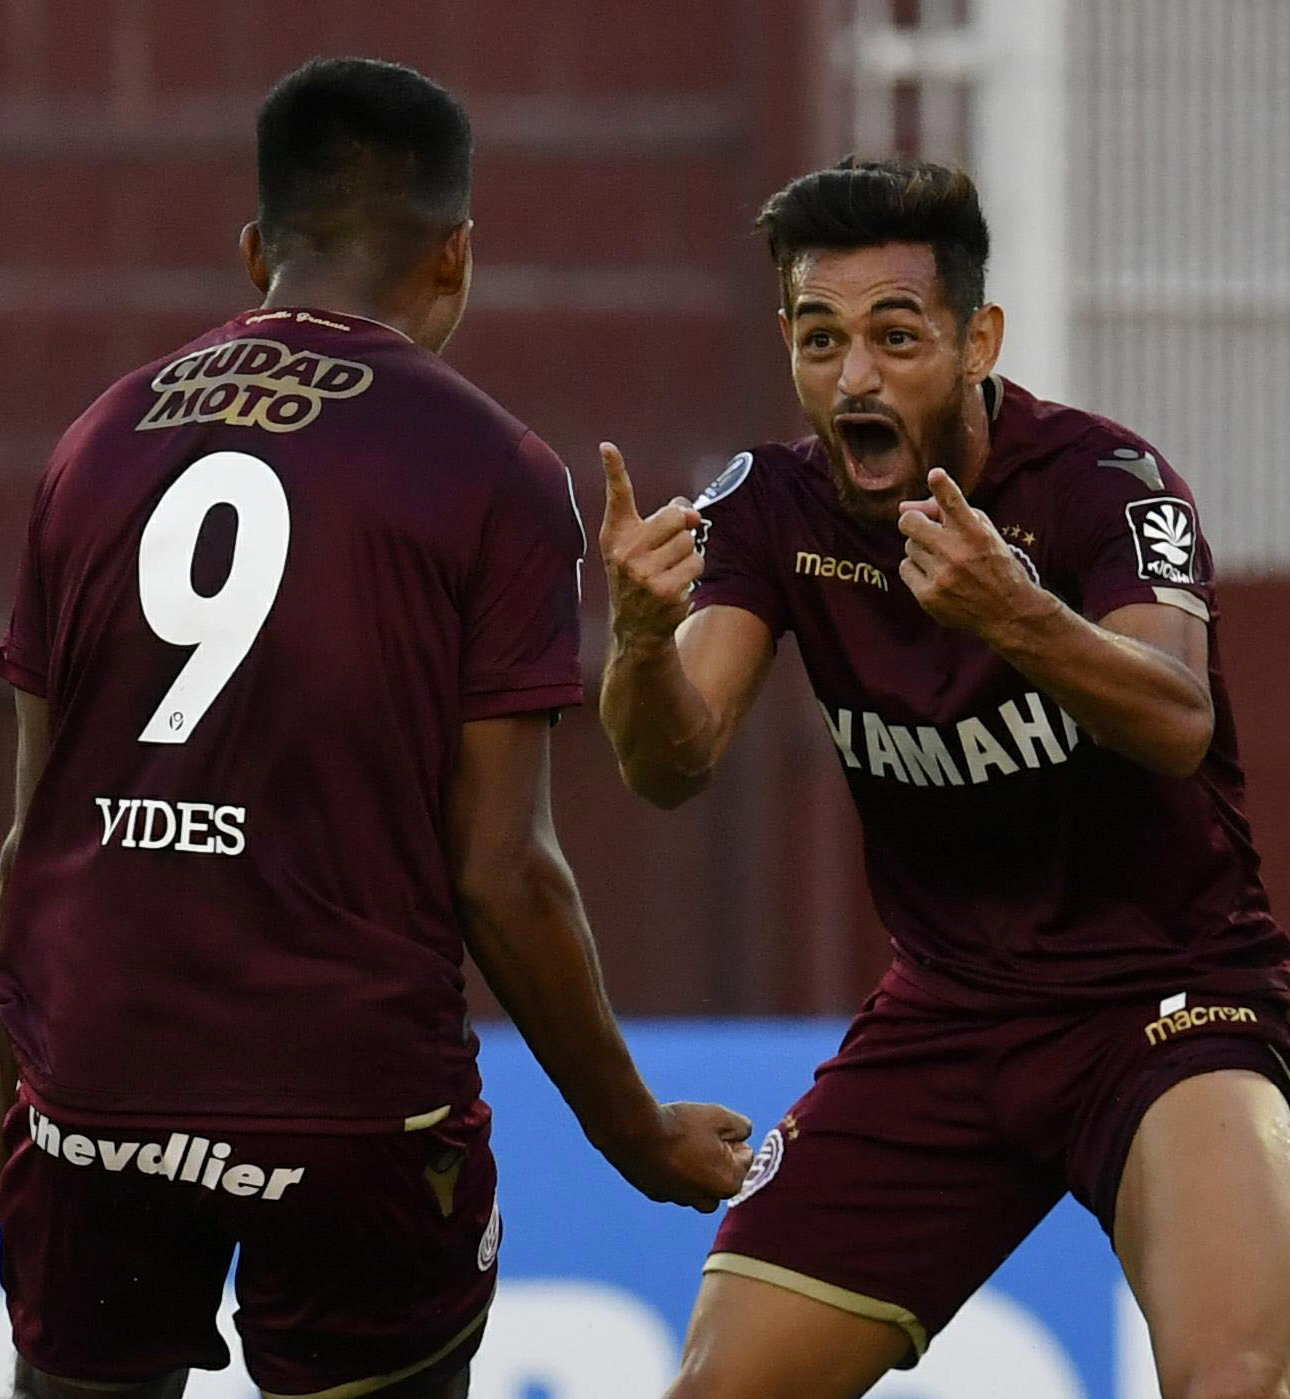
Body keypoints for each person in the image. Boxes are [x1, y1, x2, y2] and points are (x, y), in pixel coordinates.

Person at [0, 56, 752, 1399]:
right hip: (348, 1104)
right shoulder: (492, 467)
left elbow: (32, 836)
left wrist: (42, 1095)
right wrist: (634, 1133)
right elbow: (502, 870)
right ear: (455, 254)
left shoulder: (93, 442)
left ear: (255, 250)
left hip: (95, 1085)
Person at [599, 157, 1290, 1399]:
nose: (854, 377)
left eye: (895, 336)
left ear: (980, 341)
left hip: (1167, 1000)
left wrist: (1015, 617)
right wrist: (641, 648)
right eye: (820, 338)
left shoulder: (1105, 486)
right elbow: (670, 761)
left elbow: (1178, 718)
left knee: (1235, 1379)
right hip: (950, 1010)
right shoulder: (772, 508)